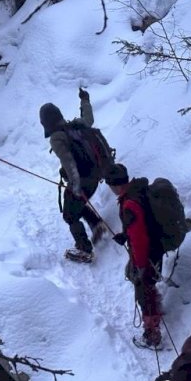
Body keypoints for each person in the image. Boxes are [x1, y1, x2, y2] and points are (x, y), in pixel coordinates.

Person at [40, 88, 108, 263]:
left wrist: (76, 187)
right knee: (76, 205)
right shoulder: (77, 125)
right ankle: (97, 225)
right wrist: (85, 99)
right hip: (95, 177)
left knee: (70, 215)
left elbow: (69, 162)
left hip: (81, 181)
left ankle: (85, 250)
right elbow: (89, 119)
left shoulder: (57, 138)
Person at [105, 163, 164, 348]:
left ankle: (152, 335)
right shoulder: (137, 191)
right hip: (155, 249)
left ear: (114, 185)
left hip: (147, 255)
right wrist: (125, 234)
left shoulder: (129, 203)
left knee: (143, 290)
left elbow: (140, 239)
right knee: (148, 286)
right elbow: (141, 225)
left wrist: (140, 266)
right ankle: (154, 311)